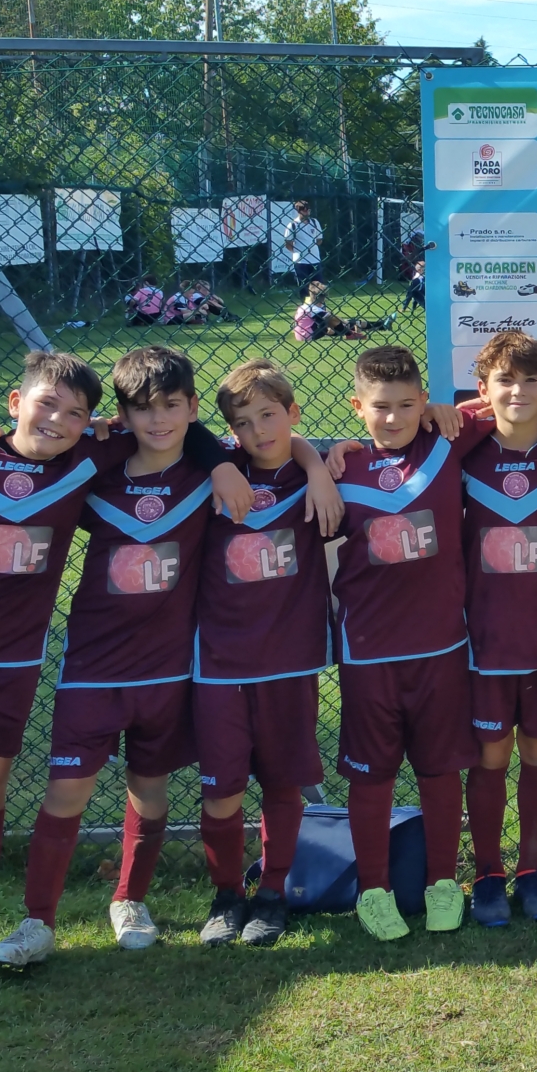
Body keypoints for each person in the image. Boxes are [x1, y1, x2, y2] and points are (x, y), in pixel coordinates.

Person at [0, 352, 244, 979]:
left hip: (13, 663)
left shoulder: (87, 459)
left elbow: (176, 422)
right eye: (47, 404)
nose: (60, 420)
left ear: (93, 422)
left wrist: (224, 460)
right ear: (14, 403)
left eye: (76, 413)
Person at [0, 348, 272, 967]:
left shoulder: (210, 470)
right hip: (94, 666)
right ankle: (37, 922)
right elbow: (31, 452)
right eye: (141, 409)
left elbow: (270, 449)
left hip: (169, 668)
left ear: (189, 408)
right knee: (65, 793)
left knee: (149, 793)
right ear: (122, 416)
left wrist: (219, 462)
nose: (158, 421)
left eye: (171, 407)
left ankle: (129, 898)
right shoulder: (94, 464)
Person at [326, 345, 486, 941]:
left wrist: (453, 408)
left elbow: (521, 400)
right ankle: (373, 889)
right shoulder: (340, 469)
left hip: (442, 647)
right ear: (357, 408)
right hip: (368, 652)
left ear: (424, 403)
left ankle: (444, 882)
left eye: (405, 405)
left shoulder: (447, 441)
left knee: (441, 771)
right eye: (380, 407)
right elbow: (256, 455)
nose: (392, 418)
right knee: (373, 776)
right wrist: (312, 459)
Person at [185, 359, 343, 947]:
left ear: (294, 414)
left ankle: (273, 892)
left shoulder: (319, 477)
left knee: (282, 781)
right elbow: (168, 431)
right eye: (244, 423)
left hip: (291, 657)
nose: (260, 431)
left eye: (270, 417)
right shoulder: (216, 475)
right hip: (220, 660)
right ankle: (227, 895)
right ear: (231, 432)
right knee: (221, 788)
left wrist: (318, 468)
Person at [458, 331, 537, 929]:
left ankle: (531, 871)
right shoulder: (460, 455)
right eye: (504, 381)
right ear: (483, 391)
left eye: (531, 380)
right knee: (490, 758)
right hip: (483, 639)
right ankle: (487, 874)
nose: (518, 390)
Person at [284, 200, 323, 297]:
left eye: (308, 210)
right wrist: (297, 252)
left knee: (319, 288)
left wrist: (312, 248)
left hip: (315, 260)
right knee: (304, 289)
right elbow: (288, 243)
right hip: (301, 262)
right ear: (299, 211)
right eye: (304, 210)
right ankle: (306, 310)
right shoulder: (292, 225)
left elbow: (319, 239)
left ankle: (320, 309)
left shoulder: (314, 222)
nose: (307, 212)